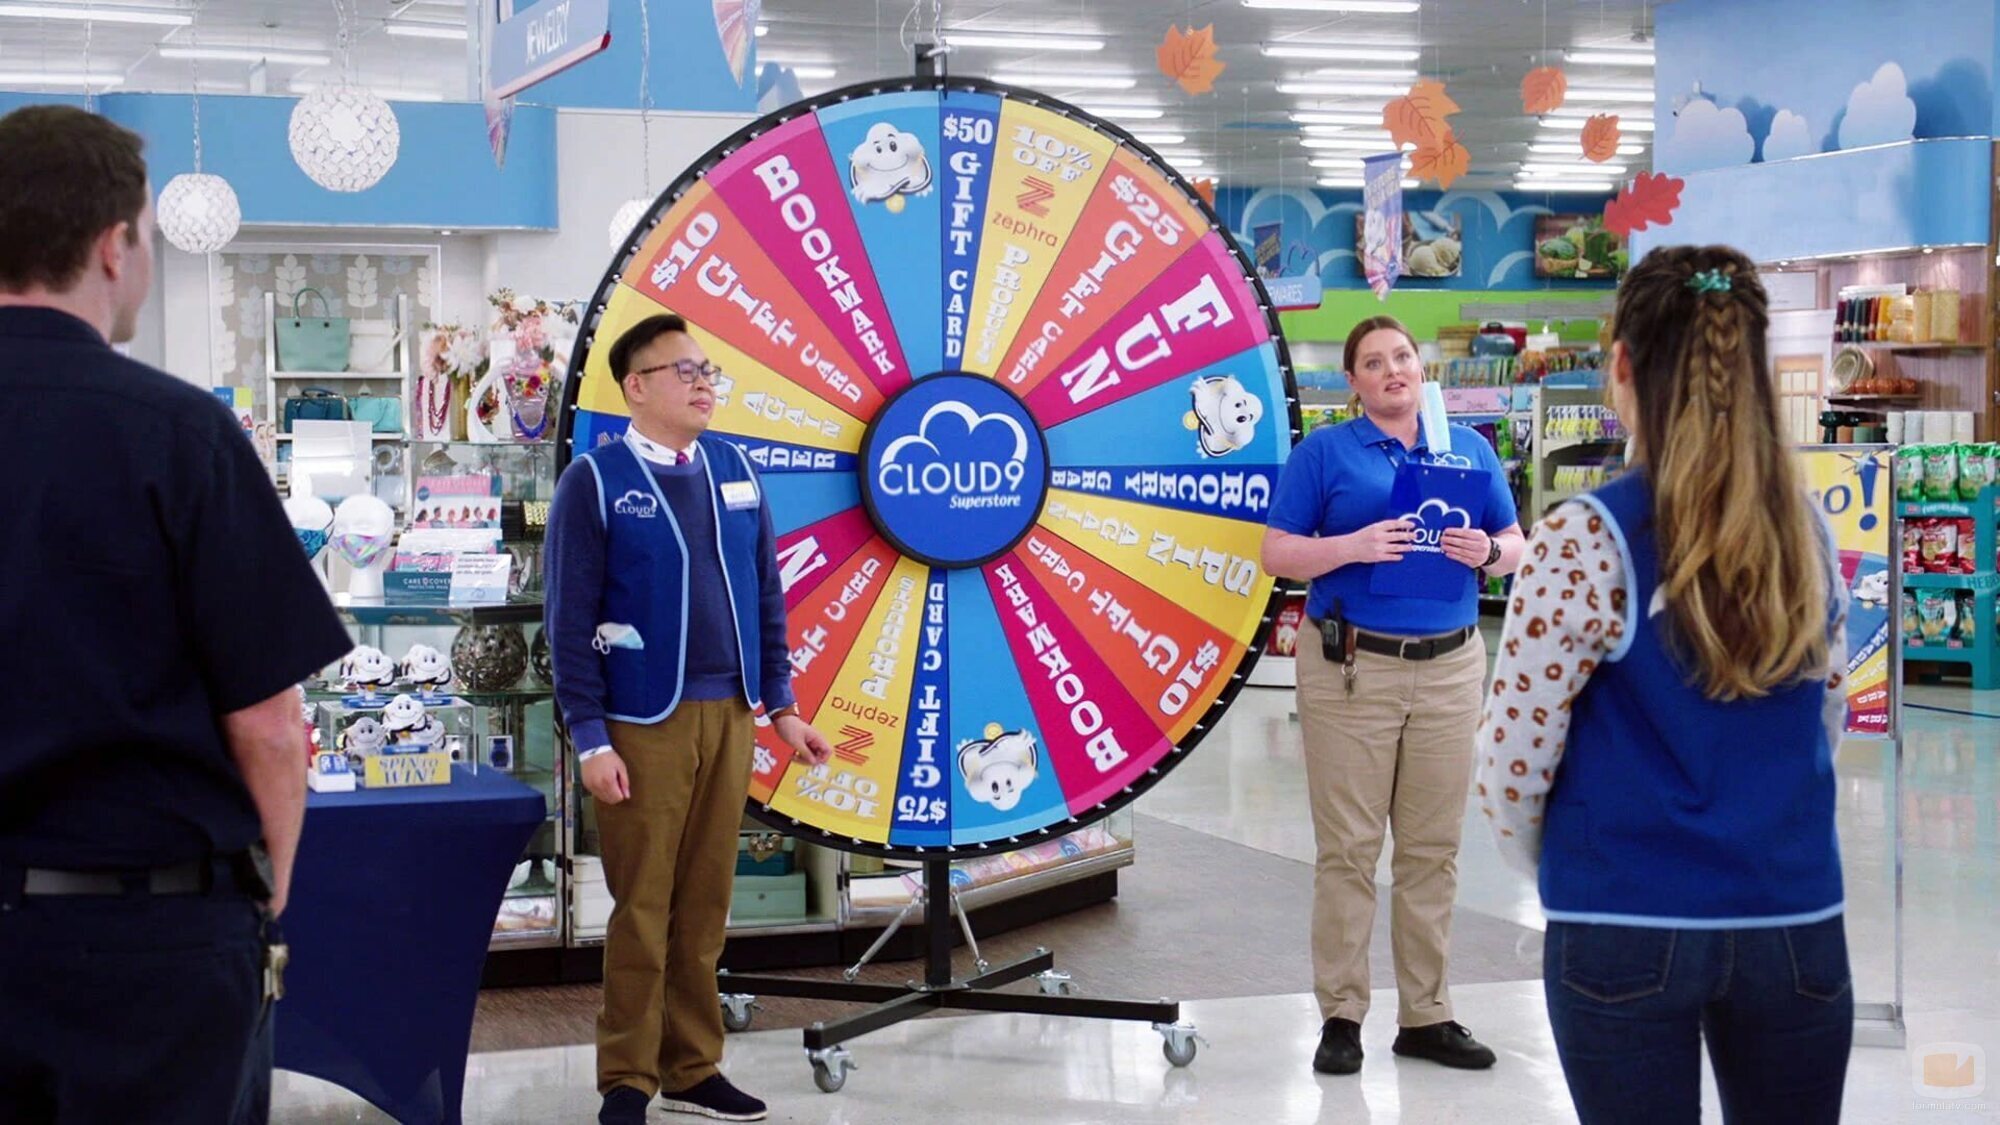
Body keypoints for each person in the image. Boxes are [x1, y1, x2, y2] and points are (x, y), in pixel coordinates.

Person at [0, 106, 352, 1123]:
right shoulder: (178, 434)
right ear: (115, 246)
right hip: (144, 942)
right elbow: (270, 724)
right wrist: (268, 893)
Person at [1476, 245, 1852, 1124]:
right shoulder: (1807, 532)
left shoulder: (1582, 537)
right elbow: (1826, 712)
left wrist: (1565, 861)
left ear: (1622, 365)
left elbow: (1515, 758)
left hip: (1622, 919)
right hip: (1792, 914)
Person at [545, 314, 832, 1124]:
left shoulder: (735, 470)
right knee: (642, 905)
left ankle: (693, 1066)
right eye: (683, 371)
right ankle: (627, 1077)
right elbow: (567, 622)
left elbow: (766, 595)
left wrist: (782, 706)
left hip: (731, 712)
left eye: (708, 369)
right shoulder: (594, 482)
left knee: (706, 902)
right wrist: (590, 734)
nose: (704, 383)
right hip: (642, 721)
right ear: (635, 387)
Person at [1262, 315, 1526, 1077]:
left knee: (1432, 850)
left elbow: (1516, 541)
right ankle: (1342, 1013)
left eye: (1402, 357)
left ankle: (1428, 1013)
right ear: (1354, 381)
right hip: (1353, 669)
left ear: (1420, 366)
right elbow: (1276, 550)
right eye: (1373, 362)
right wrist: (1353, 545)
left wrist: (1491, 553)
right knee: (1347, 848)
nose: (1392, 370)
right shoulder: (1325, 454)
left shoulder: (1467, 448)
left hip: (1451, 667)